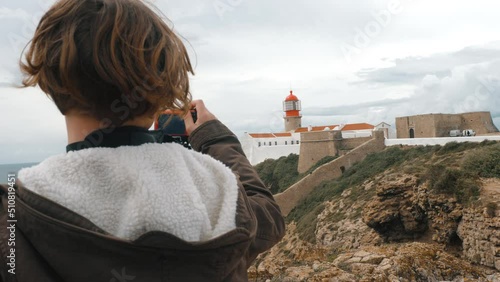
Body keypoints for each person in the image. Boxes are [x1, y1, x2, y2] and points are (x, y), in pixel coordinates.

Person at [0, 0, 285, 281]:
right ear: (160, 92)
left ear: (51, 82)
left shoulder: (13, 211)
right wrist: (213, 135)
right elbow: (268, 216)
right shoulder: (220, 193)